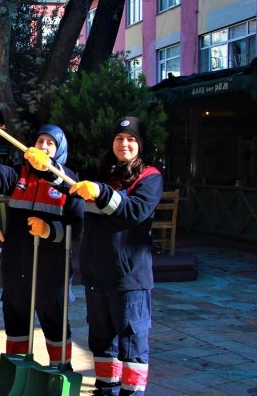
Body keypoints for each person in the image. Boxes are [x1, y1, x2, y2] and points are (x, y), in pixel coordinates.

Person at [0, 124, 83, 367]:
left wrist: (50, 230)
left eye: (50, 143)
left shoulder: (68, 181)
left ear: (59, 150)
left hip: (51, 270)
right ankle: (17, 369)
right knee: (15, 319)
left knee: (54, 321)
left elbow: (79, 226)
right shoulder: (19, 176)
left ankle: (62, 370)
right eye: (40, 141)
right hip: (17, 266)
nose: (43, 147)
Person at [69, 117, 162, 396]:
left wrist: (101, 192)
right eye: (120, 138)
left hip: (128, 277)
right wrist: (46, 167)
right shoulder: (99, 171)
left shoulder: (150, 177)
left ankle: (131, 393)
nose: (124, 144)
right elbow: (67, 184)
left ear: (140, 145)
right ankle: (105, 388)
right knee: (101, 340)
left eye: (131, 139)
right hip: (96, 274)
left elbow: (134, 211)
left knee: (132, 342)